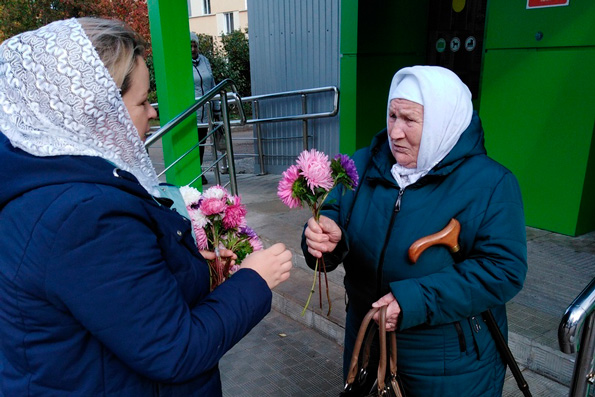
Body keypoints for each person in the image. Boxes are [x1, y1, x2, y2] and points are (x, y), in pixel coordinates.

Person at [0, 18, 292, 396]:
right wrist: (256, 280)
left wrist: (195, 270)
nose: (152, 112)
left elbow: (118, 301)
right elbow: (175, 350)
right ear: (98, 115)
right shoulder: (84, 216)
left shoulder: (45, 183)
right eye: (141, 101)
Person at [303, 65, 527, 396]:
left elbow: (503, 270)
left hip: (447, 362)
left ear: (442, 123)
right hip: (368, 344)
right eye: (392, 115)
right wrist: (325, 237)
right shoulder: (364, 164)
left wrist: (414, 301)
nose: (394, 132)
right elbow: (334, 211)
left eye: (409, 120)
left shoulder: (491, 184)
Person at [190, 32, 225, 184]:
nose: (192, 49)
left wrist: (216, 107)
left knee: (202, 142)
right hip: (193, 112)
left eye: (195, 45)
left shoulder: (204, 60)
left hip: (207, 112)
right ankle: (194, 172)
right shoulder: (183, 63)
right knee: (194, 143)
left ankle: (198, 169)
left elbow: (212, 83)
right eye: (189, 46)